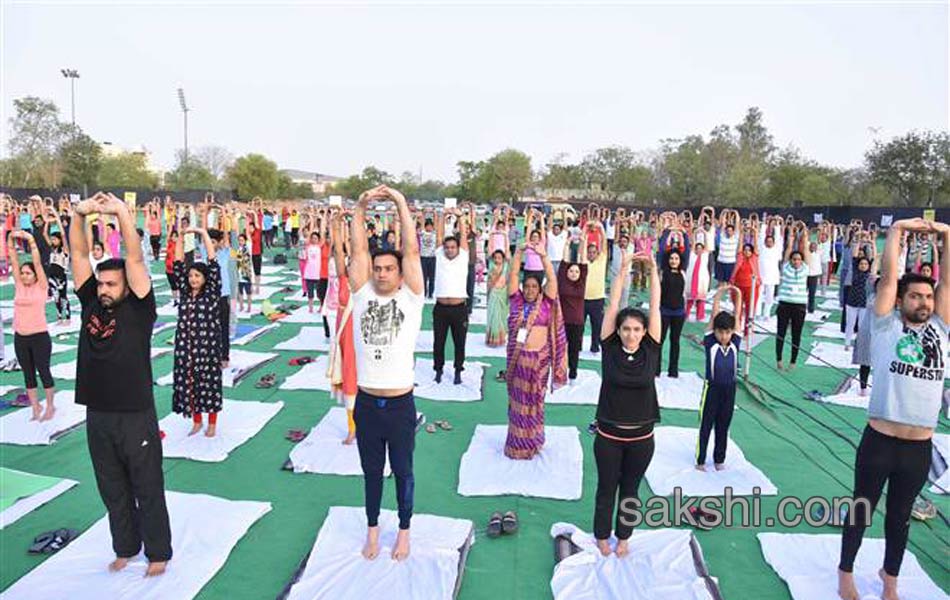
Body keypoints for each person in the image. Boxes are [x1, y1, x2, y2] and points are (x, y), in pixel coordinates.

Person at [837, 218, 949, 600]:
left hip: (918, 447)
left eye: (928, 297)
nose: (924, 302)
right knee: (862, 510)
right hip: (880, 441)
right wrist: (898, 230)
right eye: (916, 296)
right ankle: (845, 571)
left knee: (900, 519)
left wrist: (947, 236)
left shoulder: (940, 330)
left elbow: (947, 283)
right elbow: (887, 279)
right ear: (901, 300)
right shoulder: (887, 326)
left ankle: (891, 579)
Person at [69, 192, 171, 576]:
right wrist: (80, 215)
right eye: (102, 284)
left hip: (134, 414)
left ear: (127, 285)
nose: (105, 289)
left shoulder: (140, 307)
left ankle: (158, 552)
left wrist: (122, 214)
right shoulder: (91, 303)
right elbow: (79, 256)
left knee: (146, 486)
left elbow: (135, 257)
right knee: (112, 487)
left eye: (112, 284)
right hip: (98, 413)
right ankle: (126, 547)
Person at [348, 185, 424, 562]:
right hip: (366, 403)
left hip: (399, 405)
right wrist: (360, 208)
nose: (381, 273)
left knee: (404, 472)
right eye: (377, 269)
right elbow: (359, 250)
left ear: (399, 273)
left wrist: (399, 203)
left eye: (388, 269)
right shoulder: (361, 295)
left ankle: (405, 531)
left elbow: (410, 250)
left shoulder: (410, 298)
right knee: (371, 472)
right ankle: (373, 530)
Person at [592, 248, 661, 558]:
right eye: (626, 329)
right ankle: (602, 536)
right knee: (607, 490)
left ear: (644, 331)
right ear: (618, 331)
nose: (631, 334)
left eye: (636, 329)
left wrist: (653, 269)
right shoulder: (609, 347)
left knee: (630, 491)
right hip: (608, 436)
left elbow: (656, 306)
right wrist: (622, 272)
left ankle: (624, 537)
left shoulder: (651, 348)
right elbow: (612, 305)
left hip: (642, 438)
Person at [504, 242, 566, 459]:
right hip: (519, 362)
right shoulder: (516, 301)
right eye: (527, 286)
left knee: (536, 403)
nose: (530, 290)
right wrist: (519, 253)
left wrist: (543, 256)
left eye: (534, 287)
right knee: (519, 404)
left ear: (539, 289)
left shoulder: (546, 303)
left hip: (539, 362)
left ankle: (533, 442)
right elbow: (512, 275)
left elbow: (553, 279)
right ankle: (517, 444)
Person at [171, 216, 223, 438]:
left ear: (205, 278)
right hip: (186, 346)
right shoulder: (184, 292)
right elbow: (178, 262)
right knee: (189, 382)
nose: (192, 279)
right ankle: (196, 420)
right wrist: (181, 237)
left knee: (208, 383)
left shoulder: (211, 292)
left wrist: (202, 234)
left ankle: (211, 423)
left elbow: (213, 263)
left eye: (197, 275)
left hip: (207, 346)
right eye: (191, 275)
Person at [8, 230, 56, 421]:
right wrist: (10, 238)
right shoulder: (19, 286)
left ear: (36, 275)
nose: (24, 275)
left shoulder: (41, 286)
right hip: (21, 337)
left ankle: (50, 406)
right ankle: (35, 407)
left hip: (39, 337)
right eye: (23, 273)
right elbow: (12, 259)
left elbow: (36, 262)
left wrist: (29, 239)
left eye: (28, 273)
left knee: (43, 371)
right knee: (28, 374)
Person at [696, 286, 742, 471]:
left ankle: (719, 459)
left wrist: (737, 294)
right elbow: (714, 316)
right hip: (712, 389)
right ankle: (700, 460)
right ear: (714, 331)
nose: (724, 336)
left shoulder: (736, 342)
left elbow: (737, 316)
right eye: (720, 332)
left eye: (727, 332)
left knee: (724, 425)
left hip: (730, 390)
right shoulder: (710, 343)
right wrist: (719, 294)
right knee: (707, 424)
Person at [327, 210, 358, 445]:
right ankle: (352, 427)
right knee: (347, 376)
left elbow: (358, 249)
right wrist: (335, 227)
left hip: (359, 332)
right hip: (343, 330)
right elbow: (339, 251)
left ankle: (365, 422)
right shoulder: (343, 278)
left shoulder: (368, 284)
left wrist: (356, 220)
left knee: (361, 377)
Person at [432, 209, 470, 384]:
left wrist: (460, 217)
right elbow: (439, 235)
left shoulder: (463, 256)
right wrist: (442, 215)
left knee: (459, 342)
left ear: (457, 248)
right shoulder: (439, 255)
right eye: (447, 247)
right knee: (438, 342)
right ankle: (438, 369)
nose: (449, 250)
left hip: (459, 309)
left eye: (452, 247)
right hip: (440, 308)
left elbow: (462, 236)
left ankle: (458, 370)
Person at [775, 223, 811, 371]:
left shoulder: (805, 268)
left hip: (799, 306)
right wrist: (790, 235)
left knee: (796, 334)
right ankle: (779, 359)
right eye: (794, 259)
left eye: (798, 259)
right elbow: (789, 249)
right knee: (781, 332)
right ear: (790, 260)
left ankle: (793, 361)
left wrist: (805, 234)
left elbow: (805, 250)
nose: (796, 261)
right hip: (784, 304)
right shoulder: (786, 267)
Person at [557, 243, 588, 383]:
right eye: (571, 271)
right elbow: (564, 262)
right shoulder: (562, 281)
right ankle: (558, 371)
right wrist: (567, 242)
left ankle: (573, 373)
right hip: (561, 321)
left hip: (577, 322)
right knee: (560, 348)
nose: (574, 273)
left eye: (576, 272)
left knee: (574, 349)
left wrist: (584, 240)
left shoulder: (581, 282)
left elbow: (584, 262)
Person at [657, 250, 686, 377]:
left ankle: (673, 370)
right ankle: (655, 369)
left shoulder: (683, 274)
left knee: (675, 341)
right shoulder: (662, 273)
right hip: (664, 311)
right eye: (671, 258)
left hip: (679, 312)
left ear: (680, 261)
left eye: (676, 258)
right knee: (660, 340)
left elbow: (685, 292)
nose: (673, 261)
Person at [583, 222, 608, 353]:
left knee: (596, 325)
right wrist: (586, 229)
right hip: (583, 299)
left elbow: (604, 243)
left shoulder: (601, 260)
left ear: (597, 253)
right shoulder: (584, 261)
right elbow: (582, 243)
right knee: (579, 325)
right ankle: (578, 345)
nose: (592, 253)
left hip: (598, 299)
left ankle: (594, 346)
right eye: (590, 252)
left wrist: (601, 228)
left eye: (594, 252)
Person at [44, 212, 71, 324]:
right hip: (51, 276)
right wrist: (47, 222)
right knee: (55, 297)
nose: (53, 241)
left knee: (63, 297)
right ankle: (59, 317)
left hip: (61, 276)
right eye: (52, 239)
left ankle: (68, 317)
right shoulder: (52, 249)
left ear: (59, 240)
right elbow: (45, 234)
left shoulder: (65, 250)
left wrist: (57, 220)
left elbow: (64, 235)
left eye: (55, 239)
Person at [485, 249, 509, 348]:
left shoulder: (506, 269)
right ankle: (492, 339)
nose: (497, 260)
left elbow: (508, 282)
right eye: (495, 258)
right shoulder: (492, 268)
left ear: (503, 259)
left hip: (503, 293)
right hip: (494, 294)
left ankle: (501, 338)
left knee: (501, 317)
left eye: (499, 258)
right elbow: (489, 283)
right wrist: (488, 294)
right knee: (494, 316)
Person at [684, 241, 710, 322]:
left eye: (700, 248)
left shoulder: (705, 256)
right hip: (691, 280)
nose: (698, 250)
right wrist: (695, 233)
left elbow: (707, 247)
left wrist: (704, 233)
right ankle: (685, 315)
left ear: (703, 250)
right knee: (689, 299)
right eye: (697, 248)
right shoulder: (692, 256)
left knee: (701, 299)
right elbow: (692, 245)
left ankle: (700, 316)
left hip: (702, 281)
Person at [419, 217, 437, 299]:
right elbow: (422, 223)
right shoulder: (422, 233)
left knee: (432, 278)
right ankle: (424, 293)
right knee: (424, 277)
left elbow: (436, 222)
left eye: (430, 226)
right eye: (427, 226)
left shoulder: (434, 233)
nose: (429, 228)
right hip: (423, 257)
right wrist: (423, 213)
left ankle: (430, 294)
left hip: (432, 258)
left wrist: (434, 213)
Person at [236, 232, 253, 313]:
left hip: (245, 274)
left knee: (248, 292)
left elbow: (241, 259)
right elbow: (235, 259)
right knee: (240, 291)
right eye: (239, 240)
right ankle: (241, 306)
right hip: (238, 274)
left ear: (245, 241)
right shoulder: (237, 248)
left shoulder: (247, 248)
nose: (240, 242)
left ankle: (249, 307)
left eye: (242, 240)